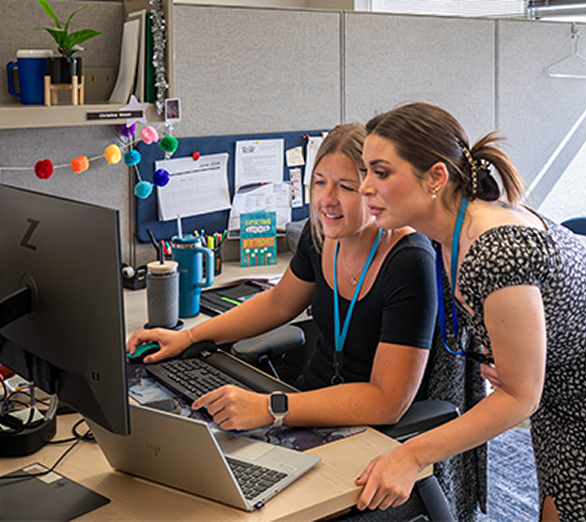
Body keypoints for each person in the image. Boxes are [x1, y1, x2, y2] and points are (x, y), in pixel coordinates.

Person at [354, 102, 586, 521]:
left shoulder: (495, 249)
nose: (364, 188)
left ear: (436, 178)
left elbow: (520, 397)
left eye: (381, 172)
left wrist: (411, 456)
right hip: (560, 395)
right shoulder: (453, 235)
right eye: (365, 171)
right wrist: (523, 368)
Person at [126, 122, 438, 432]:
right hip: (307, 404)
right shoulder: (319, 236)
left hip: (369, 429)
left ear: (373, 190)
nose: (327, 199)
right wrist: (188, 337)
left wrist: (269, 407)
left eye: (345, 186)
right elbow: (278, 302)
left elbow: (388, 402)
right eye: (319, 182)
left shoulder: (408, 261)